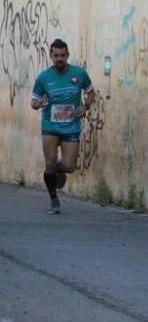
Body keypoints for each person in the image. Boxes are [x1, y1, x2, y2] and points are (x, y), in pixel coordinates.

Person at [30, 39, 96, 214]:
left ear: (67, 55)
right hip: (50, 126)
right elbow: (34, 102)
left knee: (69, 167)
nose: (59, 58)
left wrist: (86, 106)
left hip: (71, 126)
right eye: (56, 55)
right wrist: (38, 103)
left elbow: (91, 93)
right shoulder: (43, 77)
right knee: (49, 163)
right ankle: (53, 199)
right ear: (51, 56)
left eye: (62, 55)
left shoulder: (79, 74)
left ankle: (58, 168)